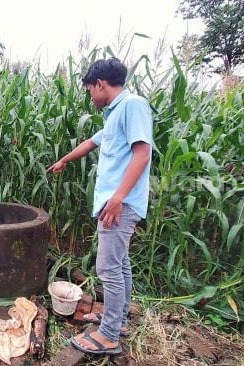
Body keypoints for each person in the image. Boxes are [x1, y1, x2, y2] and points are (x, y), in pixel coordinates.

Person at [46, 57, 152, 355]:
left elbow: (142, 155)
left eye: (90, 89)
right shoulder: (114, 113)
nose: (90, 95)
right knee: (120, 265)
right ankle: (117, 319)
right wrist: (65, 160)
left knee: (107, 269)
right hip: (117, 202)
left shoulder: (132, 105)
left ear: (100, 84)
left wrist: (117, 199)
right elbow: (92, 143)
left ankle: (108, 336)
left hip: (119, 204)